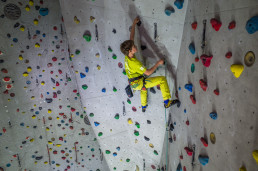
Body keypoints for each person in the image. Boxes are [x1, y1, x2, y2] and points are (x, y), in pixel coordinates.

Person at [120, 16, 180, 112]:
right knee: (162, 80)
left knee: (143, 88)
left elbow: (131, 38)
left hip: (134, 83)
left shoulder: (127, 56)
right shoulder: (135, 63)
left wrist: (134, 23)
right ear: (130, 50)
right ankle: (167, 102)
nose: (136, 46)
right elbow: (147, 73)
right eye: (134, 46)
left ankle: (143, 106)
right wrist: (158, 63)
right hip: (138, 82)